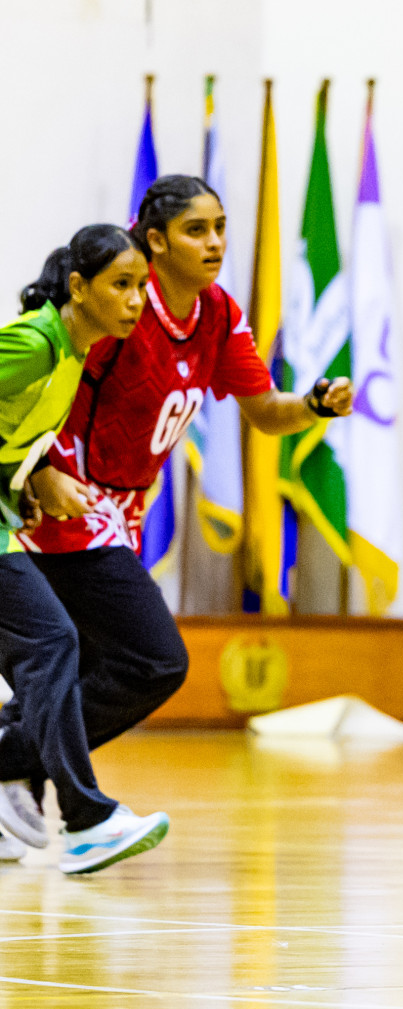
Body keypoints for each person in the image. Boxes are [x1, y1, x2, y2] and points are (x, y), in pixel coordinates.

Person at [0, 175, 354, 872]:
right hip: (67, 506)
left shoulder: (218, 312)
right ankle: (46, 784)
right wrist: (40, 471)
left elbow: (263, 411)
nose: (216, 242)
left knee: (81, 662)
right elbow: (46, 393)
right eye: (198, 230)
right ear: (154, 240)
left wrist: (311, 406)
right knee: (149, 659)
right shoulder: (117, 310)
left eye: (222, 226)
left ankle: (19, 765)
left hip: (119, 514)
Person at [0, 224, 163, 873]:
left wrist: (22, 487)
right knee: (53, 643)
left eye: (142, 288)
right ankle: (88, 819)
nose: (135, 302)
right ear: (77, 286)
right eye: (121, 285)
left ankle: (80, 812)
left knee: (51, 645)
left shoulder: (71, 354)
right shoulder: (36, 344)